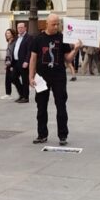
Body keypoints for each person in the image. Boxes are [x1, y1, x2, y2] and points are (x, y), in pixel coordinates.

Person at [28, 13, 77, 146]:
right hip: (41, 77)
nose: (56, 26)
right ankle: (42, 134)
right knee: (41, 107)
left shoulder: (63, 38)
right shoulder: (38, 39)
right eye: (53, 24)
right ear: (47, 24)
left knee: (61, 105)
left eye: (57, 24)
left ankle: (63, 135)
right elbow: (33, 59)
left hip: (59, 77)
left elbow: (68, 59)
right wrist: (30, 77)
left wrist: (76, 49)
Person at [12, 22, 31, 101]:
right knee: (13, 78)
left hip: (23, 62)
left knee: (25, 80)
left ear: (25, 28)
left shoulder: (29, 37)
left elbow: (29, 51)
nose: (19, 29)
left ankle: (25, 97)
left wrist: (27, 61)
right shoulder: (17, 37)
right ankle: (21, 94)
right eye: (18, 27)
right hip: (16, 62)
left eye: (21, 27)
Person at [1, 27, 18, 100]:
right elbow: (8, 53)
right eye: (6, 33)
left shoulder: (15, 42)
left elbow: (14, 54)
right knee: (7, 79)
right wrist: (6, 63)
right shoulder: (9, 42)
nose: (7, 34)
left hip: (13, 63)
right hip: (8, 62)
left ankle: (22, 89)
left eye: (8, 33)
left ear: (12, 34)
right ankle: (8, 94)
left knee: (13, 78)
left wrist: (12, 65)